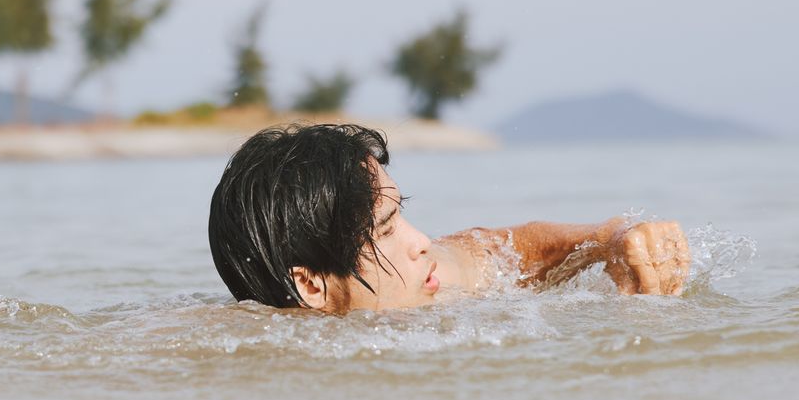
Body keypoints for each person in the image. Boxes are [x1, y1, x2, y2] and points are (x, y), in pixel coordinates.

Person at [208, 122, 690, 313]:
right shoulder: (257, 347)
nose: (422, 242)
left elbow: (509, 249)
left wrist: (610, 236)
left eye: (403, 215)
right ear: (311, 285)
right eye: (386, 229)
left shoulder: (429, 273)